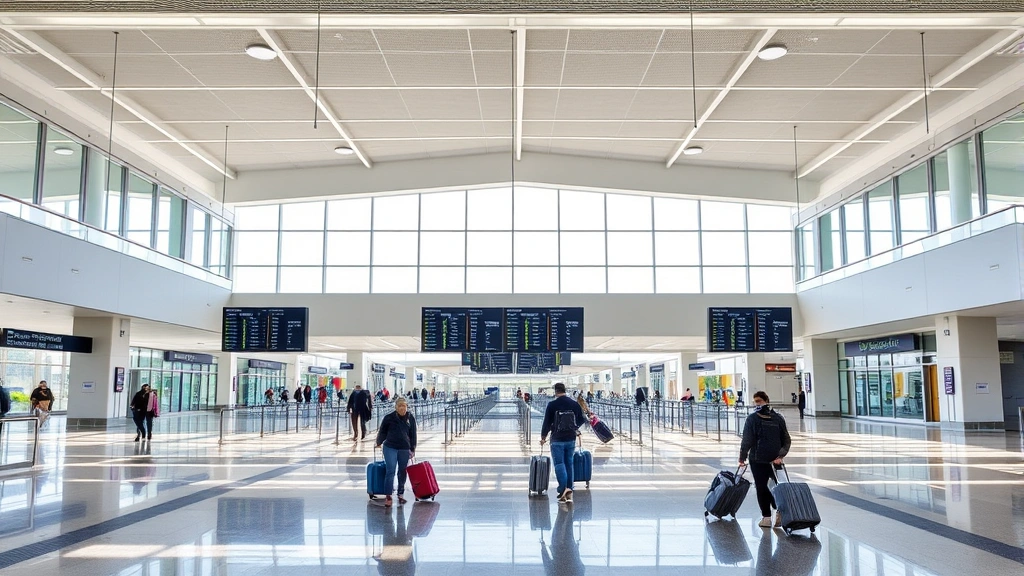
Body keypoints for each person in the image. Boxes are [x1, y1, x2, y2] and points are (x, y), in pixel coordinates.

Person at [738, 391, 792, 528]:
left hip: (760, 459)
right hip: (773, 461)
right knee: (776, 487)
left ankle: (767, 517)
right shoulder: (777, 418)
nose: (757, 403)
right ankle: (777, 511)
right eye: (755, 401)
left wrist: (742, 458)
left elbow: (747, 441)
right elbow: (786, 440)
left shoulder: (753, 419)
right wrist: (780, 456)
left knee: (762, 488)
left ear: (766, 400)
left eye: (759, 401)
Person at [540, 382, 585, 504]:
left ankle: (562, 489)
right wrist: (574, 427)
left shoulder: (552, 405)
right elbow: (582, 418)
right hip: (571, 438)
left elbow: (547, 422)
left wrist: (543, 436)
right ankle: (569, 488)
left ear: (555, 391)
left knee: (559, 464)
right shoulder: (574, 404)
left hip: (557, 439)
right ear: (565, 390)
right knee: (569, 463)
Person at [375, 397, 417, 507]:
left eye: (404, 406)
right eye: (400, 406)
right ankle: (388, 495)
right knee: (391, 470)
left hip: (404, 447)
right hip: (390, 447)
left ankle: (400, 494)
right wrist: (379, 442)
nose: (402, 408)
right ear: (396, 407)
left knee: (402, 471)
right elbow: (382, 431)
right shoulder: (389, 418)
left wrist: (413, 449)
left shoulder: (410, 418)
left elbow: (413, 434)